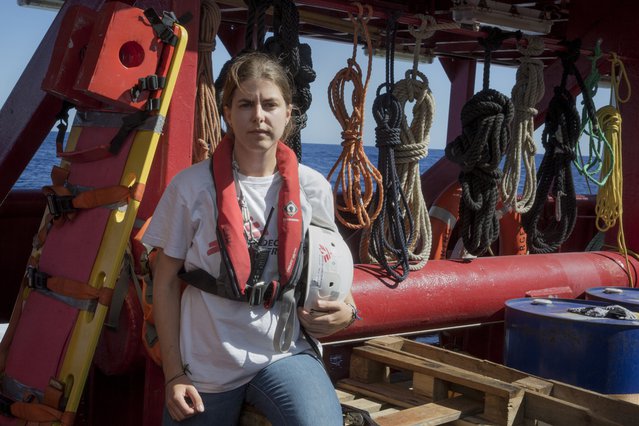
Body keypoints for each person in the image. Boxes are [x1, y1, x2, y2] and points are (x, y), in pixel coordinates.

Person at [143, 51, 358, 425]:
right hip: (207, 365)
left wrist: (349, 310)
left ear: (288, 114)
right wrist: (174, 374)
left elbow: (330, 264)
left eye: (270, 104)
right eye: (245, 104)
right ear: (228, 114)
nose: (258, 115)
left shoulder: (313, 187)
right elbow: (163, 283)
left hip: (284, 353)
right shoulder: (191, 188)